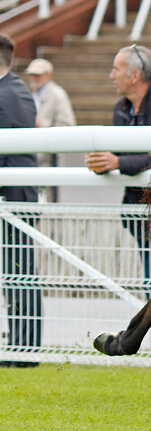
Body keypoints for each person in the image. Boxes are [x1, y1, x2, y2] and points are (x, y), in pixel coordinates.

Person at [83, 44, 151, 356]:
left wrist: (116, 163)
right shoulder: (121, 106)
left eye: (116, 69)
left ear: (135, 75)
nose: (111, 75)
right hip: (137, 211)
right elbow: (126, 155)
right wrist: (105, 164)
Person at [0, 34, 42, 367]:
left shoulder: (10, 93)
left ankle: (25, 351)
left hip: (14, 195)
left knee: (19, 272)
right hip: (15, 192)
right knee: (15, 273)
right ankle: (19, 347)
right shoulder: (14, 89)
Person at [25, 58, 76, 201]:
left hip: (49, 156)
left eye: (38, 74)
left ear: (49, 75)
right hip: (34, 153)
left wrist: (43, 125)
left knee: (48, 193)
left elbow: (67, 124)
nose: (34, 78)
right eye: (32, 74)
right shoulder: (32, 94)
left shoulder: (58, 95)